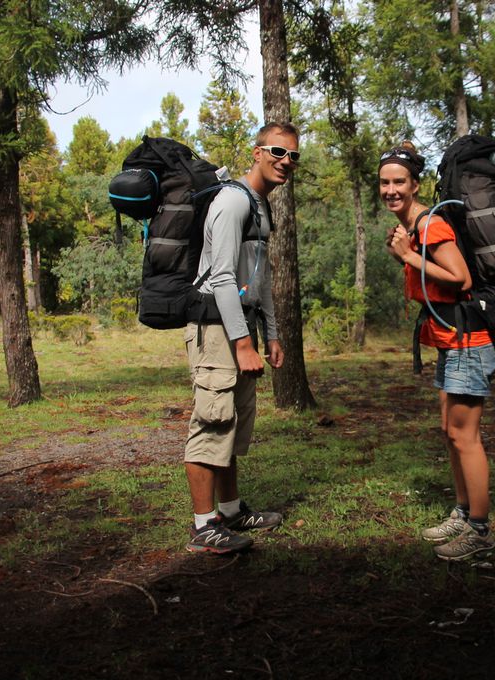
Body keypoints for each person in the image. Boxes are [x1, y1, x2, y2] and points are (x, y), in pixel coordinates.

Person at [183, 122, 300, 554]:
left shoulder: (260, 206)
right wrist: (242, 342)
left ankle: (230, 510)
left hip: (240, 325)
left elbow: (261, 276)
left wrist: (269, 333)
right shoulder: (232, 201)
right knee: (213, 422)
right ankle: (202, 526)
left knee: (233, 424)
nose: (285, 161)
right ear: (257, 152)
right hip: (216, 327)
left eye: (292, 156)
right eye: (277, 152)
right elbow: (224, 277)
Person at [381, 142, 495, 561]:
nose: (391, 189)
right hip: (451, 340)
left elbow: (461, 278)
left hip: (468, 340)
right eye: (385, 182)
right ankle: (464, 513)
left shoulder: (430, 225)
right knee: (451, 433)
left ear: (414, 185)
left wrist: (410, 255)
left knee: (465, 437)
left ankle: (480, 532)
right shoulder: (415, 226)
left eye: (399, 182)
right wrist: (407, 252)